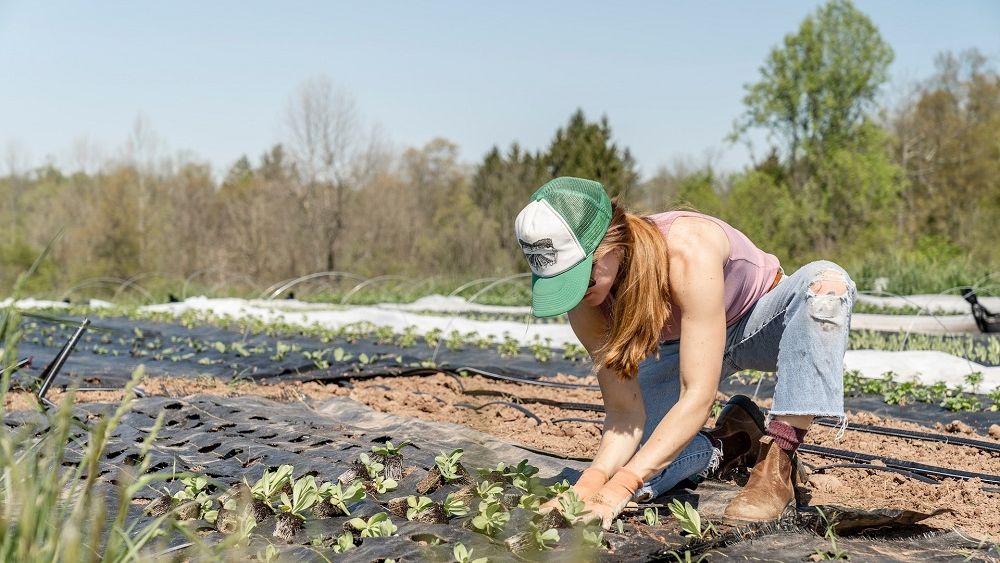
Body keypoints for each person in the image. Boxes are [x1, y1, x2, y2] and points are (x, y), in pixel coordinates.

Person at [514, 177, 856, 528]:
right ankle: (728, 443)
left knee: (827, 286)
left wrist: (621, 486)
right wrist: (590, 483)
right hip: (683, 346)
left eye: (582, 277)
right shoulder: (586, 303)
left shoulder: (685, 249)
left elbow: (697, 396)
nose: (578, 293)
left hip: (759, 323)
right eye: (562, 283)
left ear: (612, 241)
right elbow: (624, 413)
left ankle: (779, 460)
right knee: (641, 463)